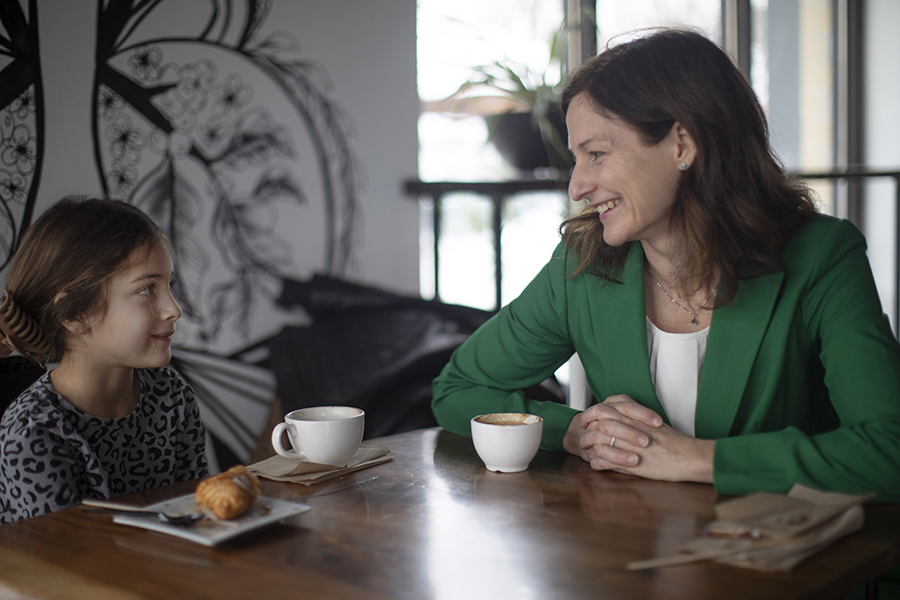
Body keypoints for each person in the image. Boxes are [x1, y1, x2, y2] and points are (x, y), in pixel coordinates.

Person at [431, 29, 900, 505]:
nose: (577, 187)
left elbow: (890, 450)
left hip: (782, 562)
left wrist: (695, 459)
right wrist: (574, 431)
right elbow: (458, 390)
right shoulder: (581, 266)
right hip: (627, 557)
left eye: (596, 154)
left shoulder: (822, 255)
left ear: (681, 143)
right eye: (576, 159)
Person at [0, 196, 208, 523]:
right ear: (76, 313)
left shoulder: (172, 395)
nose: (174, 309)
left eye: (168, 285)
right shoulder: (32, 431)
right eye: (146, 290)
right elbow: (58, 565)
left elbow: (195, 513)